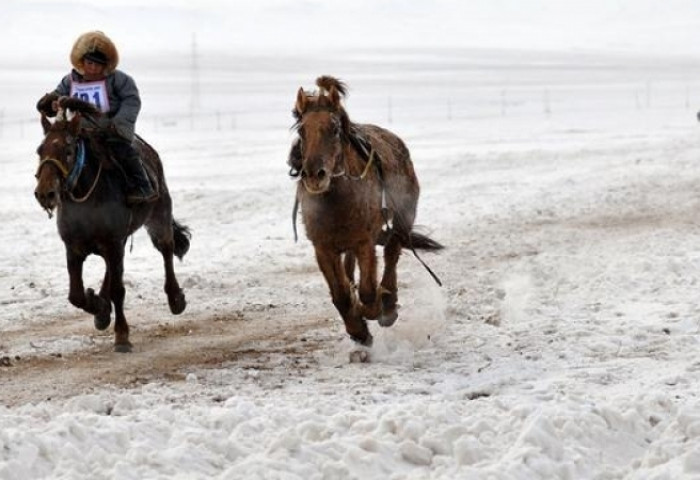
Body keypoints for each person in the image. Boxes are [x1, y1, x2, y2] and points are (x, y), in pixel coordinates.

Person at [37, 31, 156, 204]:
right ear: (82, 62)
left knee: (124, 152)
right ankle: (51, 188)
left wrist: (118, 124)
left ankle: (142, 187)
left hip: (108, 130)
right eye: (89, 63)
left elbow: (131, 100)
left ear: (106, 66)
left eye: (98, 65)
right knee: (54, 151)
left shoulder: (119, 80)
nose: (93, 68)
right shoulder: (70, 80)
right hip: (78, 131)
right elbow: (55, 97)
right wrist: (51, 103)